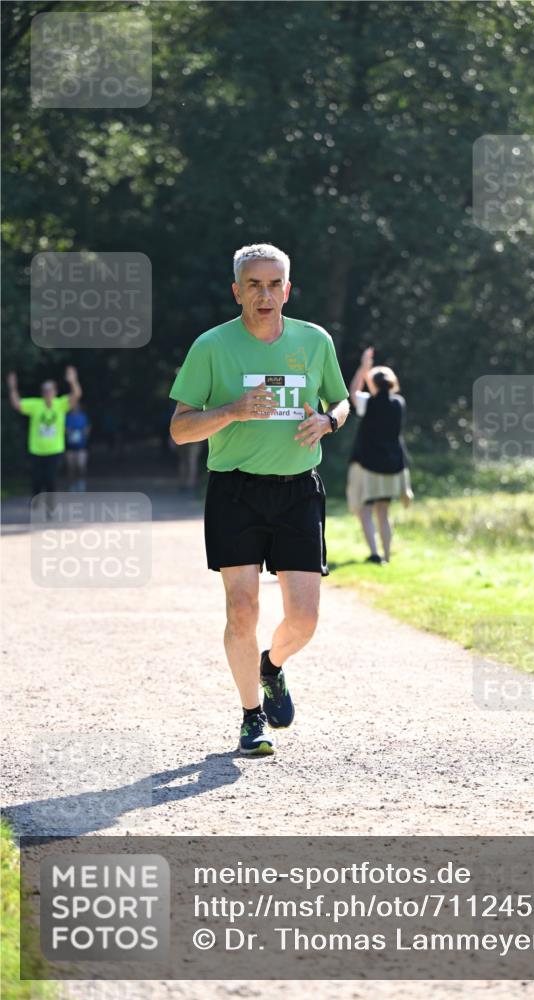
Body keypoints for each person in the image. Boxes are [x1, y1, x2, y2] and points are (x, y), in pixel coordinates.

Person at [169, 243, 350, 757]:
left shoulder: (315, 341)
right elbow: (181, 429)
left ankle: (271, 667)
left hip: (298, 491)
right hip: (236, 490)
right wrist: (231, 410)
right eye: (254, 284)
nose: (264, 294)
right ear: (237, 291)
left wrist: (329, 420)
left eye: (274, 284)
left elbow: (339, 399)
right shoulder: (211, 346)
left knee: (305, 619)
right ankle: (251, 717)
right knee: (242, 608)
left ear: (287, 290)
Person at [346, 347, 413, 564]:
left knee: (364, 509)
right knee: (383, 512)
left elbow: (353, 393)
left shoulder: (369, 402)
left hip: (368, 465)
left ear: (372, 383)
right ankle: (387, 555)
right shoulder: (399, 403)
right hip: (393, 465)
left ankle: (374, 554)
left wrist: (363, 368)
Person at [6, 367, 82, 510]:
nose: (47, 393)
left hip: (54, 450)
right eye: (45, 390)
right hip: (36, 450)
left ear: (55, 391)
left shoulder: (60, 404)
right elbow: (17, 404)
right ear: (42, 393)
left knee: (50, 479)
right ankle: (35, 502)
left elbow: (76, 395)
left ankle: (50, 506)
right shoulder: (36, 405)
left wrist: (73, 381)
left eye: (50, 390)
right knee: (36, 480)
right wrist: (12, 387)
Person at [65, 401, 91, 492]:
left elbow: (87, 428)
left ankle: (81, 482)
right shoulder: (67, 417)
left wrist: (85, 433)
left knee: (81, 465)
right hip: (70, 446)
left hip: (81, 446)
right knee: (71, 467)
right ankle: (72, 485)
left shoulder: (83, 417)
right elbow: (64, 429)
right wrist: (67, 432)